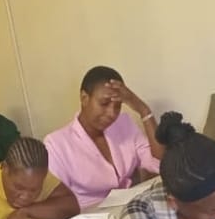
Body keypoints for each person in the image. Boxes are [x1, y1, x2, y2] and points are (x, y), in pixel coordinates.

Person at [43, 65, 164, 210]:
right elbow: (58, 202)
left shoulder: (124, 124)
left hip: (130, 209)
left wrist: (143, 109)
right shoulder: (57, 144)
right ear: (84, 98)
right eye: (104, 103)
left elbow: (159, 163)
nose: (112, 113)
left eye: (118, 106)